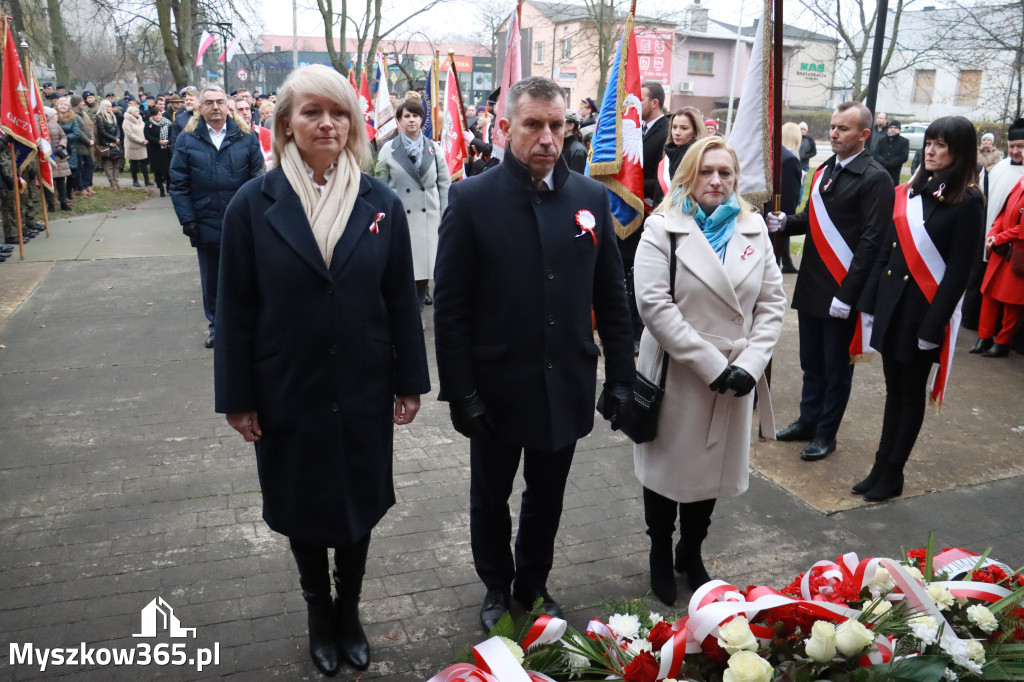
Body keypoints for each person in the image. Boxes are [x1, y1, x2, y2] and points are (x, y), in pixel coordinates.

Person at [215, 64, 429, 676]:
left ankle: (350, 608)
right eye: (312, 112)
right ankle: (318, 609)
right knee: (302, 500)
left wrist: (409, 381)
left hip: (363, 384)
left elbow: (399, 303)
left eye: (339, 113)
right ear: (286, 124)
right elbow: (234, 310)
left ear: (355, 124)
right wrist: (238, 397)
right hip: (287, 388)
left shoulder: (378, 201)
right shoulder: (251, 207)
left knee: (358, 499)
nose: (327, 123)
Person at [433, 76, 634, 632]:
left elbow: (612, 298)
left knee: (546, 497)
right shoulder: (471, 199)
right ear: (506, 128)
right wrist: (460, 390)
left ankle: (533, 583)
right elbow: (449, 308)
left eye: (557, 125)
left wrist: (621, 375)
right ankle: (496, 585)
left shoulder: (590, 198)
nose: (547, 138)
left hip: (564, 381)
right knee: (490, 497)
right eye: (533, 125)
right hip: (495, 387)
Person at [633, 136, 785, 605]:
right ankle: (660, 549)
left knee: (709, 473)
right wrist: (712, 366)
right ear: (689, 176)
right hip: (678, 372)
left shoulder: (754, 228)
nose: (716, 181)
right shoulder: (663, 227)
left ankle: (691, 550)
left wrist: (751, 363)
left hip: (736, 375)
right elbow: (654, 305)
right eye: (706, 172)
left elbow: (772, 304)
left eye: (725, 172)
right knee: (667, 471)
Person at [855, 116, 985, 501]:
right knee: (894, 391)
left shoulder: (968, 202)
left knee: (910, 395)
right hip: (894, 308)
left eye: (941, 145)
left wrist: (932, 328)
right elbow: (888, 252)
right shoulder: (914, 190)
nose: (930, 150)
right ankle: (880, 466)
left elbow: (959, 274)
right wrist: (870, 303)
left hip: (922, 315)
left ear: (959, 152)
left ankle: (893, 472)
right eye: (929, 142)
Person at [766, 101, 893, 461]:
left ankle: (826, 433)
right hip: (813, 284)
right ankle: (807, 421)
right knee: (811, 362)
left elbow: (872, 241)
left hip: (842, 290)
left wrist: (848, 294)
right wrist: (786, 223)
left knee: (837, 368)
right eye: (833, 127)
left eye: (843, 129)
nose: (834, 133)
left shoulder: (875, 178)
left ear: (864, 135)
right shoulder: (825, 169)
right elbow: (812, 217)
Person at [169, 85, 264, 349]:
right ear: (200, 108)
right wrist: (187, 219)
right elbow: (178, 183)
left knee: (246, 277)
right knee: (212, 281)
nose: (215, 107)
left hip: (241, 222)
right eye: (209, 103)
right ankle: (217, 327)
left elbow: (258, 180)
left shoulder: (245, 137)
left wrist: (255, 217)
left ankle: (246, 325)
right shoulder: (188, 140)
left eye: (220, 102)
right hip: (205, 221)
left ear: (228, 106)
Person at [377, 98, 451, 317]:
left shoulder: (434, 149)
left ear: (422, 119)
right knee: (402, 277)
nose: (411, 120)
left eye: (415, 116)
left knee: (422, 279)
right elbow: (380, 187)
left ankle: (416, 321)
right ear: (399, 121)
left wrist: (446, 218)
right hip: (401, 223)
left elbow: (444, 185)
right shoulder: (388, 149)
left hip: (429, 224)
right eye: (406, 116)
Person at [965, 120, 1024, 336]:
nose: (1016, 151)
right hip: (993, 235)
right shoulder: (997, 168)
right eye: (1012, 146)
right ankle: (978, 327)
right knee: (984, 283)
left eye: (1021, 146)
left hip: (1018, 243)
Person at [776, 122, 803, 274]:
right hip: (779, 217)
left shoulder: (783, 156)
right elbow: (789, 200)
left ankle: (787, 263)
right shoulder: (790, 159)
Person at [661, 106, 704, 185]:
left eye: (684, 128)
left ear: (696, 131)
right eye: (674, 127)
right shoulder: (669, 151)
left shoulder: (700, 157)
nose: (677, 132)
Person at [45, 106, 73, 211]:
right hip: (48, 156)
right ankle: (50, 204)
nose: (56, 116)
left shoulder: (56, 125)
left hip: (58, 155)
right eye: (54, 115)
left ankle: (63, 202)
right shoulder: (41, 126)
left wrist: (61, 146)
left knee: (61, 180)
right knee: (49, 181)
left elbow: (63, 136)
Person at [56, 97, 82, 204]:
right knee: (59, 172)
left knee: (72, 171)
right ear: (57, 105)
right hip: (56, 148)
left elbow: (76, 133)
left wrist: (63, 138)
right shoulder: (52, 116)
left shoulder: (73, 118)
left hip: (70, 148)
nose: (63, 106)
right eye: (61, 104)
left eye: (65, 104)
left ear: (69, 107)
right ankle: (59, 196)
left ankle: (68, 194)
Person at [143, 104, 173, 197]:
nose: (158, 116)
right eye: (156, 115)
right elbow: (148, 136)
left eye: (159, 114)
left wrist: (168, 141)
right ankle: (161, 189)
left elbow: (173, 134)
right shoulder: (149, 124)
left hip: (166, 150)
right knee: (158, 171)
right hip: (155, 150)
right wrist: (158, 141)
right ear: (152, 116)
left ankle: (169, 187)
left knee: (168, 171)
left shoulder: (167, 123)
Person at [94, 100, 123, 190]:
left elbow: (118, 128)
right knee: (108, 164)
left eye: (110, 106)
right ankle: (112, 183)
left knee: (116, 164)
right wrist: (113, 140)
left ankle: (116, 181)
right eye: (108, 106)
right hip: (105, 144)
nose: (110, 108)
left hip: (116, 143)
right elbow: (102, 132)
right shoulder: (100, 117)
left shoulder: (112, 116)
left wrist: (117, 138)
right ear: (103, 107)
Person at [71, 95, 96, 197]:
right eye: (81, 101)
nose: (83, 103)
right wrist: (87, 140)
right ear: (76, 103)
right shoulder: (73, 114)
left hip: (87, 145)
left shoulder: (83, 114)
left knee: (90, 165)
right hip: (79, 145)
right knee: (79, 168)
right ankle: (79, 187)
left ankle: (87, 185)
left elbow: (89, 128)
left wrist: (92, 139)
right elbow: (79, 131)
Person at [122, 100, 151, 188]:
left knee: (143, 163)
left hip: (142, 145)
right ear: (131, 113)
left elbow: (144, 130)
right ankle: (135, 180)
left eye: (138, 111)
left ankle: (147, 180)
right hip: (133, 146)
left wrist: (145, 139)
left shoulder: (140, 120)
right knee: (134, 163)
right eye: (135, 111)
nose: (138, 112)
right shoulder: (126, 121)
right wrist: (140, 140)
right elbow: (130, 134)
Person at [874, 120, 910, 186]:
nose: (893, 129)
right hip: (881, 169)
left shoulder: (904, 141)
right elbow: (876, 154)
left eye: (895, 128)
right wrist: (883, 162)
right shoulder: (881, 140)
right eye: (891, 127)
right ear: (888, 129)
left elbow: (904, 156)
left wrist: (891, 163)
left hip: (895, 171)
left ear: (899, 130)